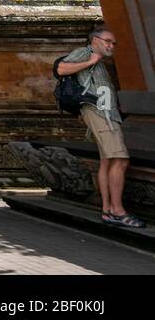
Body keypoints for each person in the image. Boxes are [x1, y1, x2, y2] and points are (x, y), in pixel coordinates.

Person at [56, 25, 147, 228]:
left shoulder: (101, 62)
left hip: (106, 113)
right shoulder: (86, 52)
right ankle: (117, 210)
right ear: (95, 40)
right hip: (99, 113)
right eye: (108, 41)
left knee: (107, 161)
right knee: (120, 159)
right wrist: (90, 61)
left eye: (114, 43)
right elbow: (60, 69)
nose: (111, 46)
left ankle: (107, 210)